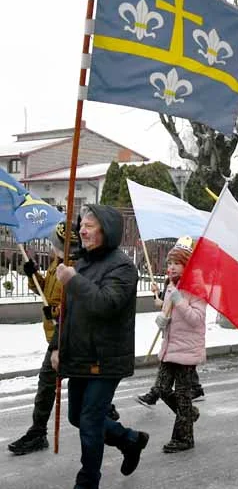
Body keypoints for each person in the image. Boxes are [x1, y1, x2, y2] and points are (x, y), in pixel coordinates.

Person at [50, 205, 147, 488]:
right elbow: (67, 311)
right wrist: (56, 347)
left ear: (108, 229)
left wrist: (73, 281)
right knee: (77, 417)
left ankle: (87, 482)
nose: (82, 230)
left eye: (90, 225)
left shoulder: (123, 267)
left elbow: (107, 304)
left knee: (90, 421)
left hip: (106, 357)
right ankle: (130, 440)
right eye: (82, 224)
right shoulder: (82, 263)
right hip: (80, 354)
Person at [7, 222, 93, 456]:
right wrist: (33, 273)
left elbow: (75, 305)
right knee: (72, 382)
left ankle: (38, 432)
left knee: (49, 383)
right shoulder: (58, 263)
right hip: (55, 335)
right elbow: (47, 293)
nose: (52, 248)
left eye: (55, 245)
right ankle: (104, 411)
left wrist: (54, 313)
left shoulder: (75, 268)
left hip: (67, 335)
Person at [145, 237, 206, 453]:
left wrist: (179, 301)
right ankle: (189, 413)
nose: (171, 267)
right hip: (170, 347)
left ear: (186, 265)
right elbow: (168, 314)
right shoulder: (172, 286)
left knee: (182, 395)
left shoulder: (196, 288)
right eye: (170, 263)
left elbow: (196, 320)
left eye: (176, 263)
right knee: (161, 389)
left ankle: (184, 438)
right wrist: (162, 320)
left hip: (187, 351)